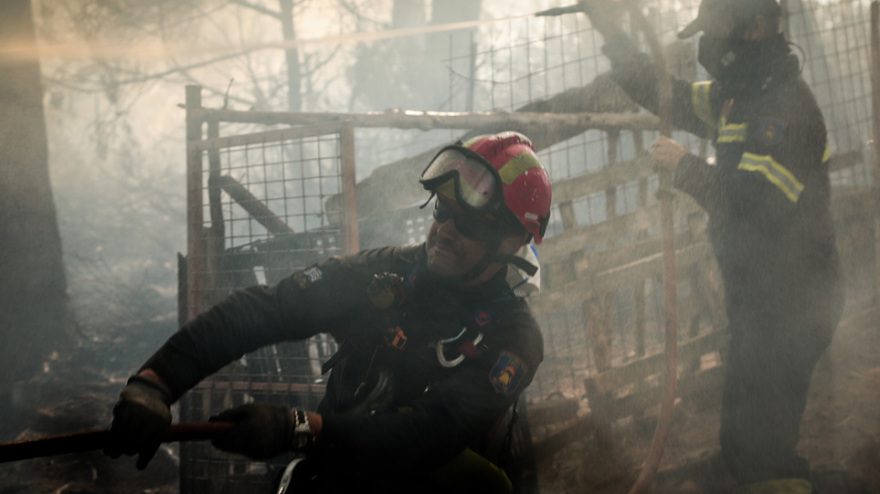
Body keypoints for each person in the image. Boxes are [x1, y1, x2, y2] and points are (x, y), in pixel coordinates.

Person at [103, 131, 552, 493]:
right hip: (331, 477)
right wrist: (157, 382)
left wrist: (299, 429)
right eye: (441, 210)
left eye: (469, 223)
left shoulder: (513, 340)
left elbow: (429, 435)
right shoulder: (384, 272)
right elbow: (268, 309)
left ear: (512, 242)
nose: (444, 230)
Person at [579, 0, 844, 492]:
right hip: (761, 299)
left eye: (722, 25)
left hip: (796, 303)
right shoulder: (735, 97)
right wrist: (611, 28)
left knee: (761, 451)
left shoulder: (788, 106)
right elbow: (665, 94)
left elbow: (756, 205)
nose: (712, 40)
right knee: (743, 441)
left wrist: (685, 168)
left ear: (758, 26)